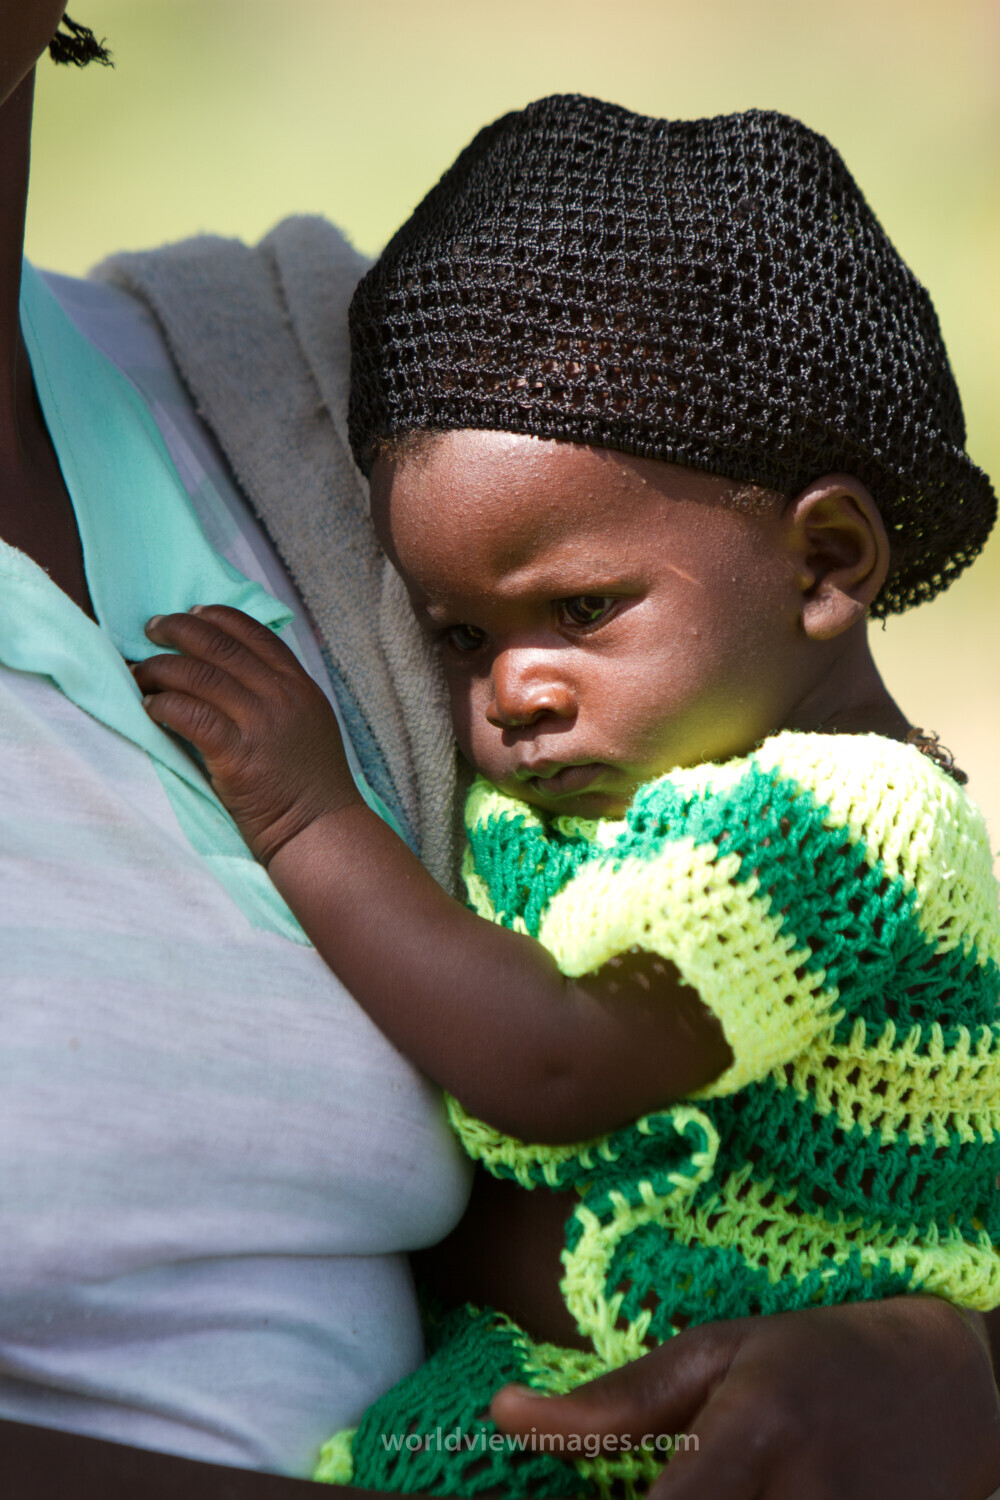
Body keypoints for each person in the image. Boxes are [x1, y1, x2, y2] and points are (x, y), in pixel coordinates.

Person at [2, 12, 1000, 1499]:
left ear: (827, 563)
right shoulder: (605, 756)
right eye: (457, 641)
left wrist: (308, 817)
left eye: (580, 614)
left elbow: (555, 1060)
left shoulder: (841, 823)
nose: (513, 693)